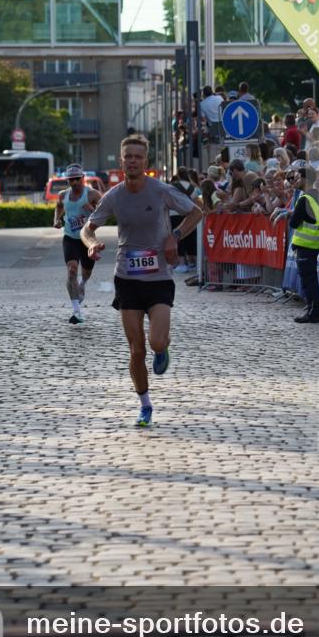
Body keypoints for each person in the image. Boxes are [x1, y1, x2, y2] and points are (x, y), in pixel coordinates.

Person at [81, 134, 202, 428]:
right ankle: (145, 405)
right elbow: (88, 228)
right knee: (136, 349)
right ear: (122, 161)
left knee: (156, 342)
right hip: (127, 278)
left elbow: (197, 212)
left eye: (138, 156)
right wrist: (91, 244)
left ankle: (164, 349)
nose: (133, 161)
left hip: (159, 276)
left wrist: (175, 236)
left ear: (145, 162)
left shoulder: (161, 191)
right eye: (128, 156)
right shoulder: (114, 196)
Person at [53, 163, 102, 324]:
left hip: (87, 239)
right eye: (70, 180)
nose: (74, 183)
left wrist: (92, 210)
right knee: (72, 270)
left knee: (86, 272)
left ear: (82, 178)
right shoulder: (62, 195)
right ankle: (76, 311)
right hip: (70, 238)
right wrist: (57, 220)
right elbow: (59, 207)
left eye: (76, 179)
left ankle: (83, 283)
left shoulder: (93, 194)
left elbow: (106, 213)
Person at [284, 166, 319, 323]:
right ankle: (314, 310)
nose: (295, 181)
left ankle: (313, 312)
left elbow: (294, 223)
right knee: (311, 280)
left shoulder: (304, 199)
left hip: (305, 245)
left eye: (298, 178)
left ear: (306, 180)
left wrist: (292, 216)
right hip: (315, 244)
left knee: (308, 281)